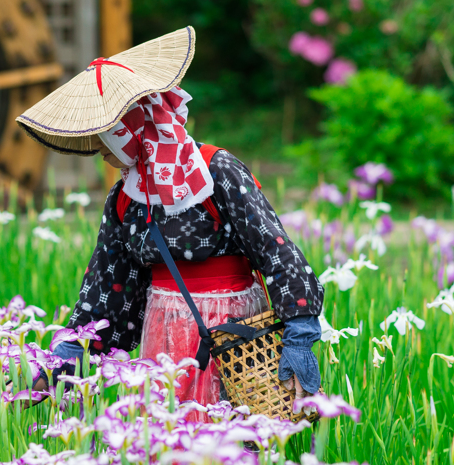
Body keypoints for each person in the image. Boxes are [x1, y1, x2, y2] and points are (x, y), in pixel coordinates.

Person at [17, 27, 323, 413]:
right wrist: (65, 356)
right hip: (163, 337)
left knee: (234, 446)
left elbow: (274, 249)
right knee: (167, 447)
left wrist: (299, 334)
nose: (100, 152)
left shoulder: (216, 171)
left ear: (131, 130)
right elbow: (108, 284)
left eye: (105, 140)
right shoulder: (126, 198)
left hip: (232, 336)